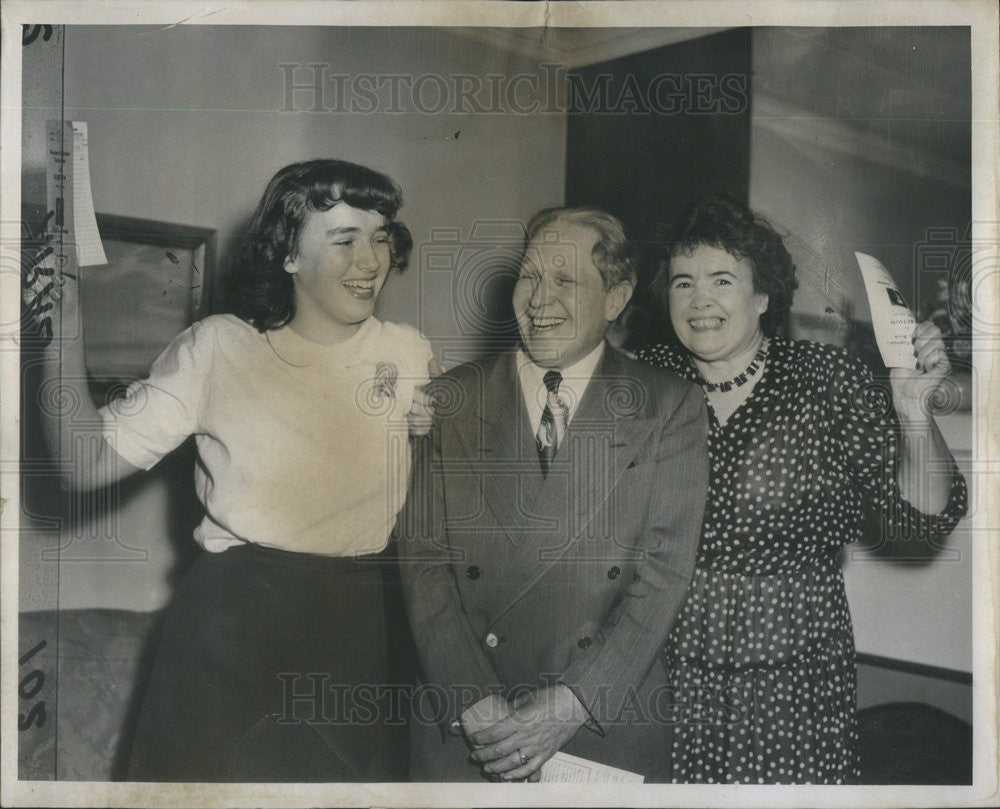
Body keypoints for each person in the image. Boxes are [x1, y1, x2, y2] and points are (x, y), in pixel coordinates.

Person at [23, 159, 437, 782]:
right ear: (288, 255)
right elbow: (82, 464)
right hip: (234, 627)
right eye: (345, 240)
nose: (371, 260)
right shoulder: (216, 348)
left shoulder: (407, 353)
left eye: (381, 237)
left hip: (357, 627)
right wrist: (61, 321)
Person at [636, 194, 968, 784]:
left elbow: (922, 520)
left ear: (763, 295)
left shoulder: (826, 378)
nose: (700, 300)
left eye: (720, 279)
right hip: (663, 657)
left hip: (792, 664)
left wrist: (914, 413)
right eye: (683, 283)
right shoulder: (644, 376)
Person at [396, 206, 710, 782]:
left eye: (564, 280)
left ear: (615, 299)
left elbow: (665, 573)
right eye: (529, 276)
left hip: (599, 717)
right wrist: (470, 695)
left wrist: (574, 701)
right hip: (467, 721)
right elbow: (423, 562)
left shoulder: (671, 405)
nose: (539, 299)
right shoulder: (451, 398)